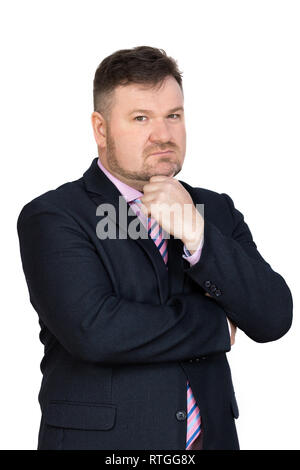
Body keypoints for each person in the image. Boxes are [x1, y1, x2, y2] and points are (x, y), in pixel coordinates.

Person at [17, 46, 293, 451]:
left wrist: (197, 234)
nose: (163, 134)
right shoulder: (55, 216)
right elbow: (96, 331)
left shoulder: (214, 210)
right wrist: (217, 325)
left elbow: (273, 316)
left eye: (174, 116)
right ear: (101, 129)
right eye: (141, 118)